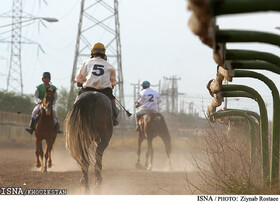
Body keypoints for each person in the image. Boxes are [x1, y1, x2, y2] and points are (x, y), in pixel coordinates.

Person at [75, 42, 119, 126]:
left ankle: (74, 116)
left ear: (92, 53)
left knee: (77, 101)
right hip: (105, 91)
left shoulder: (86, 63)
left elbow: (79, 81)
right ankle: (114, 116)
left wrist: (80, 83)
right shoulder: (110, 66)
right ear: (104, 53)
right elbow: (113, 84)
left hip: (88, 90)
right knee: (112, 99)